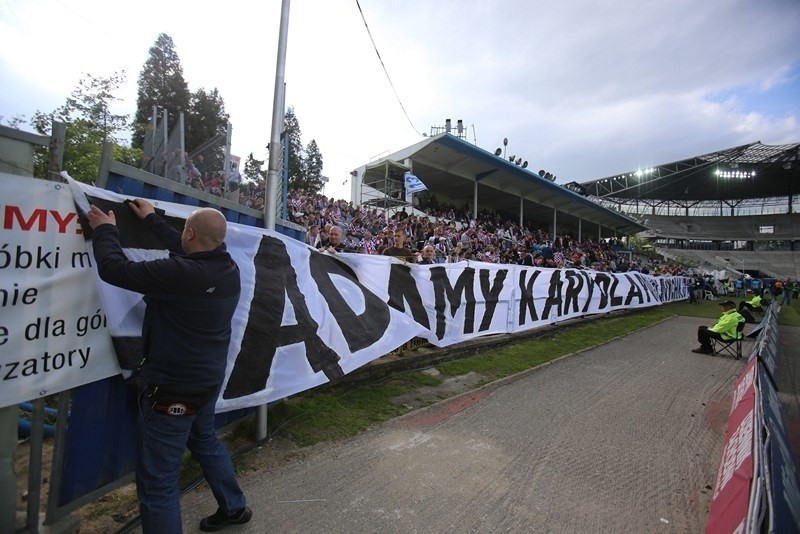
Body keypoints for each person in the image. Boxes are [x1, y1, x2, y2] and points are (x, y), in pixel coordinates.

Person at [86, 199, 251, 533]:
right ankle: (234, 509)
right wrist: (151, 220)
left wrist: (105, 230)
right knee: (205, 442)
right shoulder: (228, 268)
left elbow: (114, 268)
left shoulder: (179, 274)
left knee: (158, 482)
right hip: (206, 383)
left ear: (189, 234)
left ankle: (231, 509)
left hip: (171, 391)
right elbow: (187, 245)